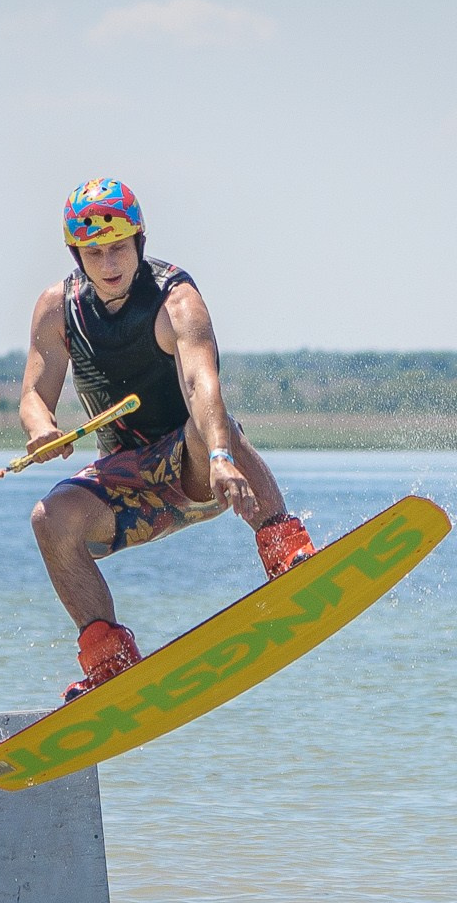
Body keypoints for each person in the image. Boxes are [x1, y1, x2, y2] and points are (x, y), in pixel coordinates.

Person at [20, 177, 317, 701]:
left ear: (139, 243)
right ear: (77, 255)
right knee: (50, 518)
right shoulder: (58, 309)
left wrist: (222, 457)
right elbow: (33, 395)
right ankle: (107, 658)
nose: (109, 264)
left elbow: (203, 385)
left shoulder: (174, 301)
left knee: (208, 423)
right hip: (128, 483)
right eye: (95, 254)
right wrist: (41, 427)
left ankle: (284, 548)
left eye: (119, 249)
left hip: (201, 470)